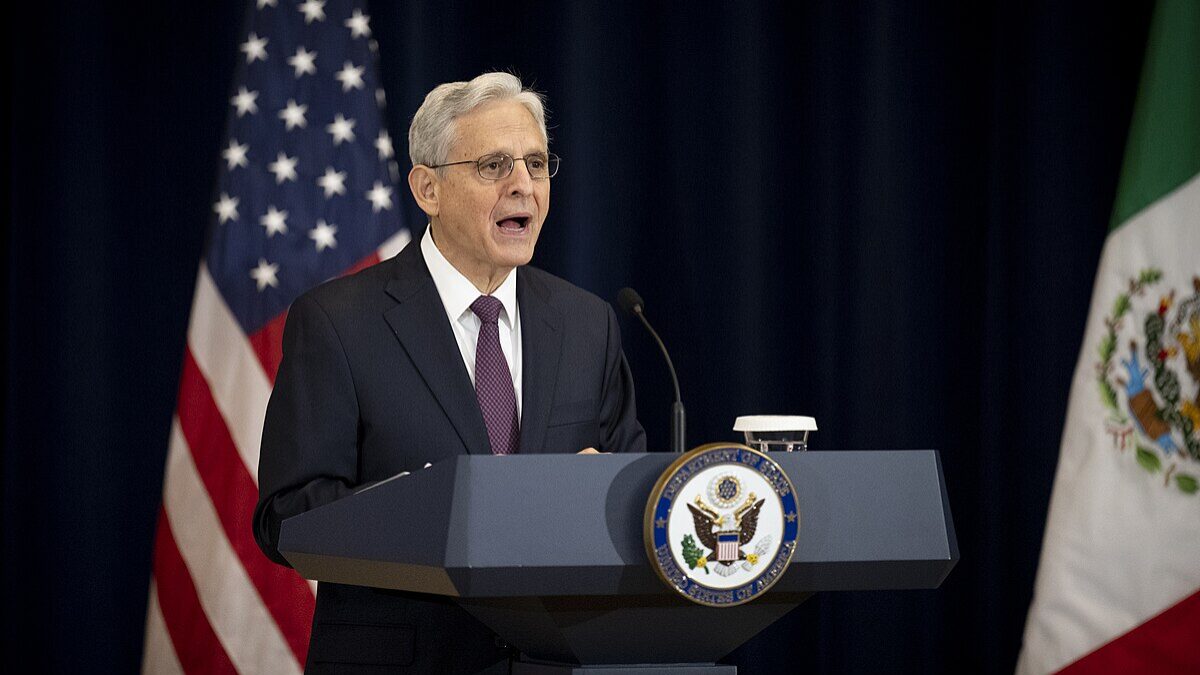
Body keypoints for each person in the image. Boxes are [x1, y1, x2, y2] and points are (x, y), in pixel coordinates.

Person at [253, 72, 647, 673]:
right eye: (494, 166)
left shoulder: (586, 324)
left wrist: (609, 497)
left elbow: (634, 501)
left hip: (556, 661)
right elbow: (286, 518)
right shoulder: (338, 322)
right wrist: (436, 509)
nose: (523, 186)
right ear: (427, 188)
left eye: (536, 165)